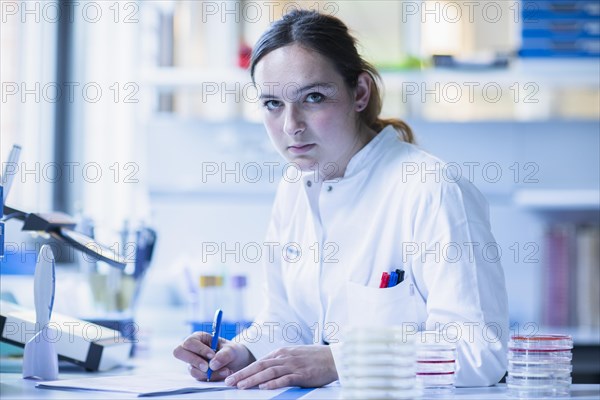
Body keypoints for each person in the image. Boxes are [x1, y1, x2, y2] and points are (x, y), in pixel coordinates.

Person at [173, 9, 508, 390]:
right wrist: (241, 353)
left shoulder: (432, 189)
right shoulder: (294, 185)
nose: (291, 125)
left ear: (360, 93)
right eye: (272, 104)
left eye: (313, 97)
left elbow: (478, 351)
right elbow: (289, 321)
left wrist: (342, 360)